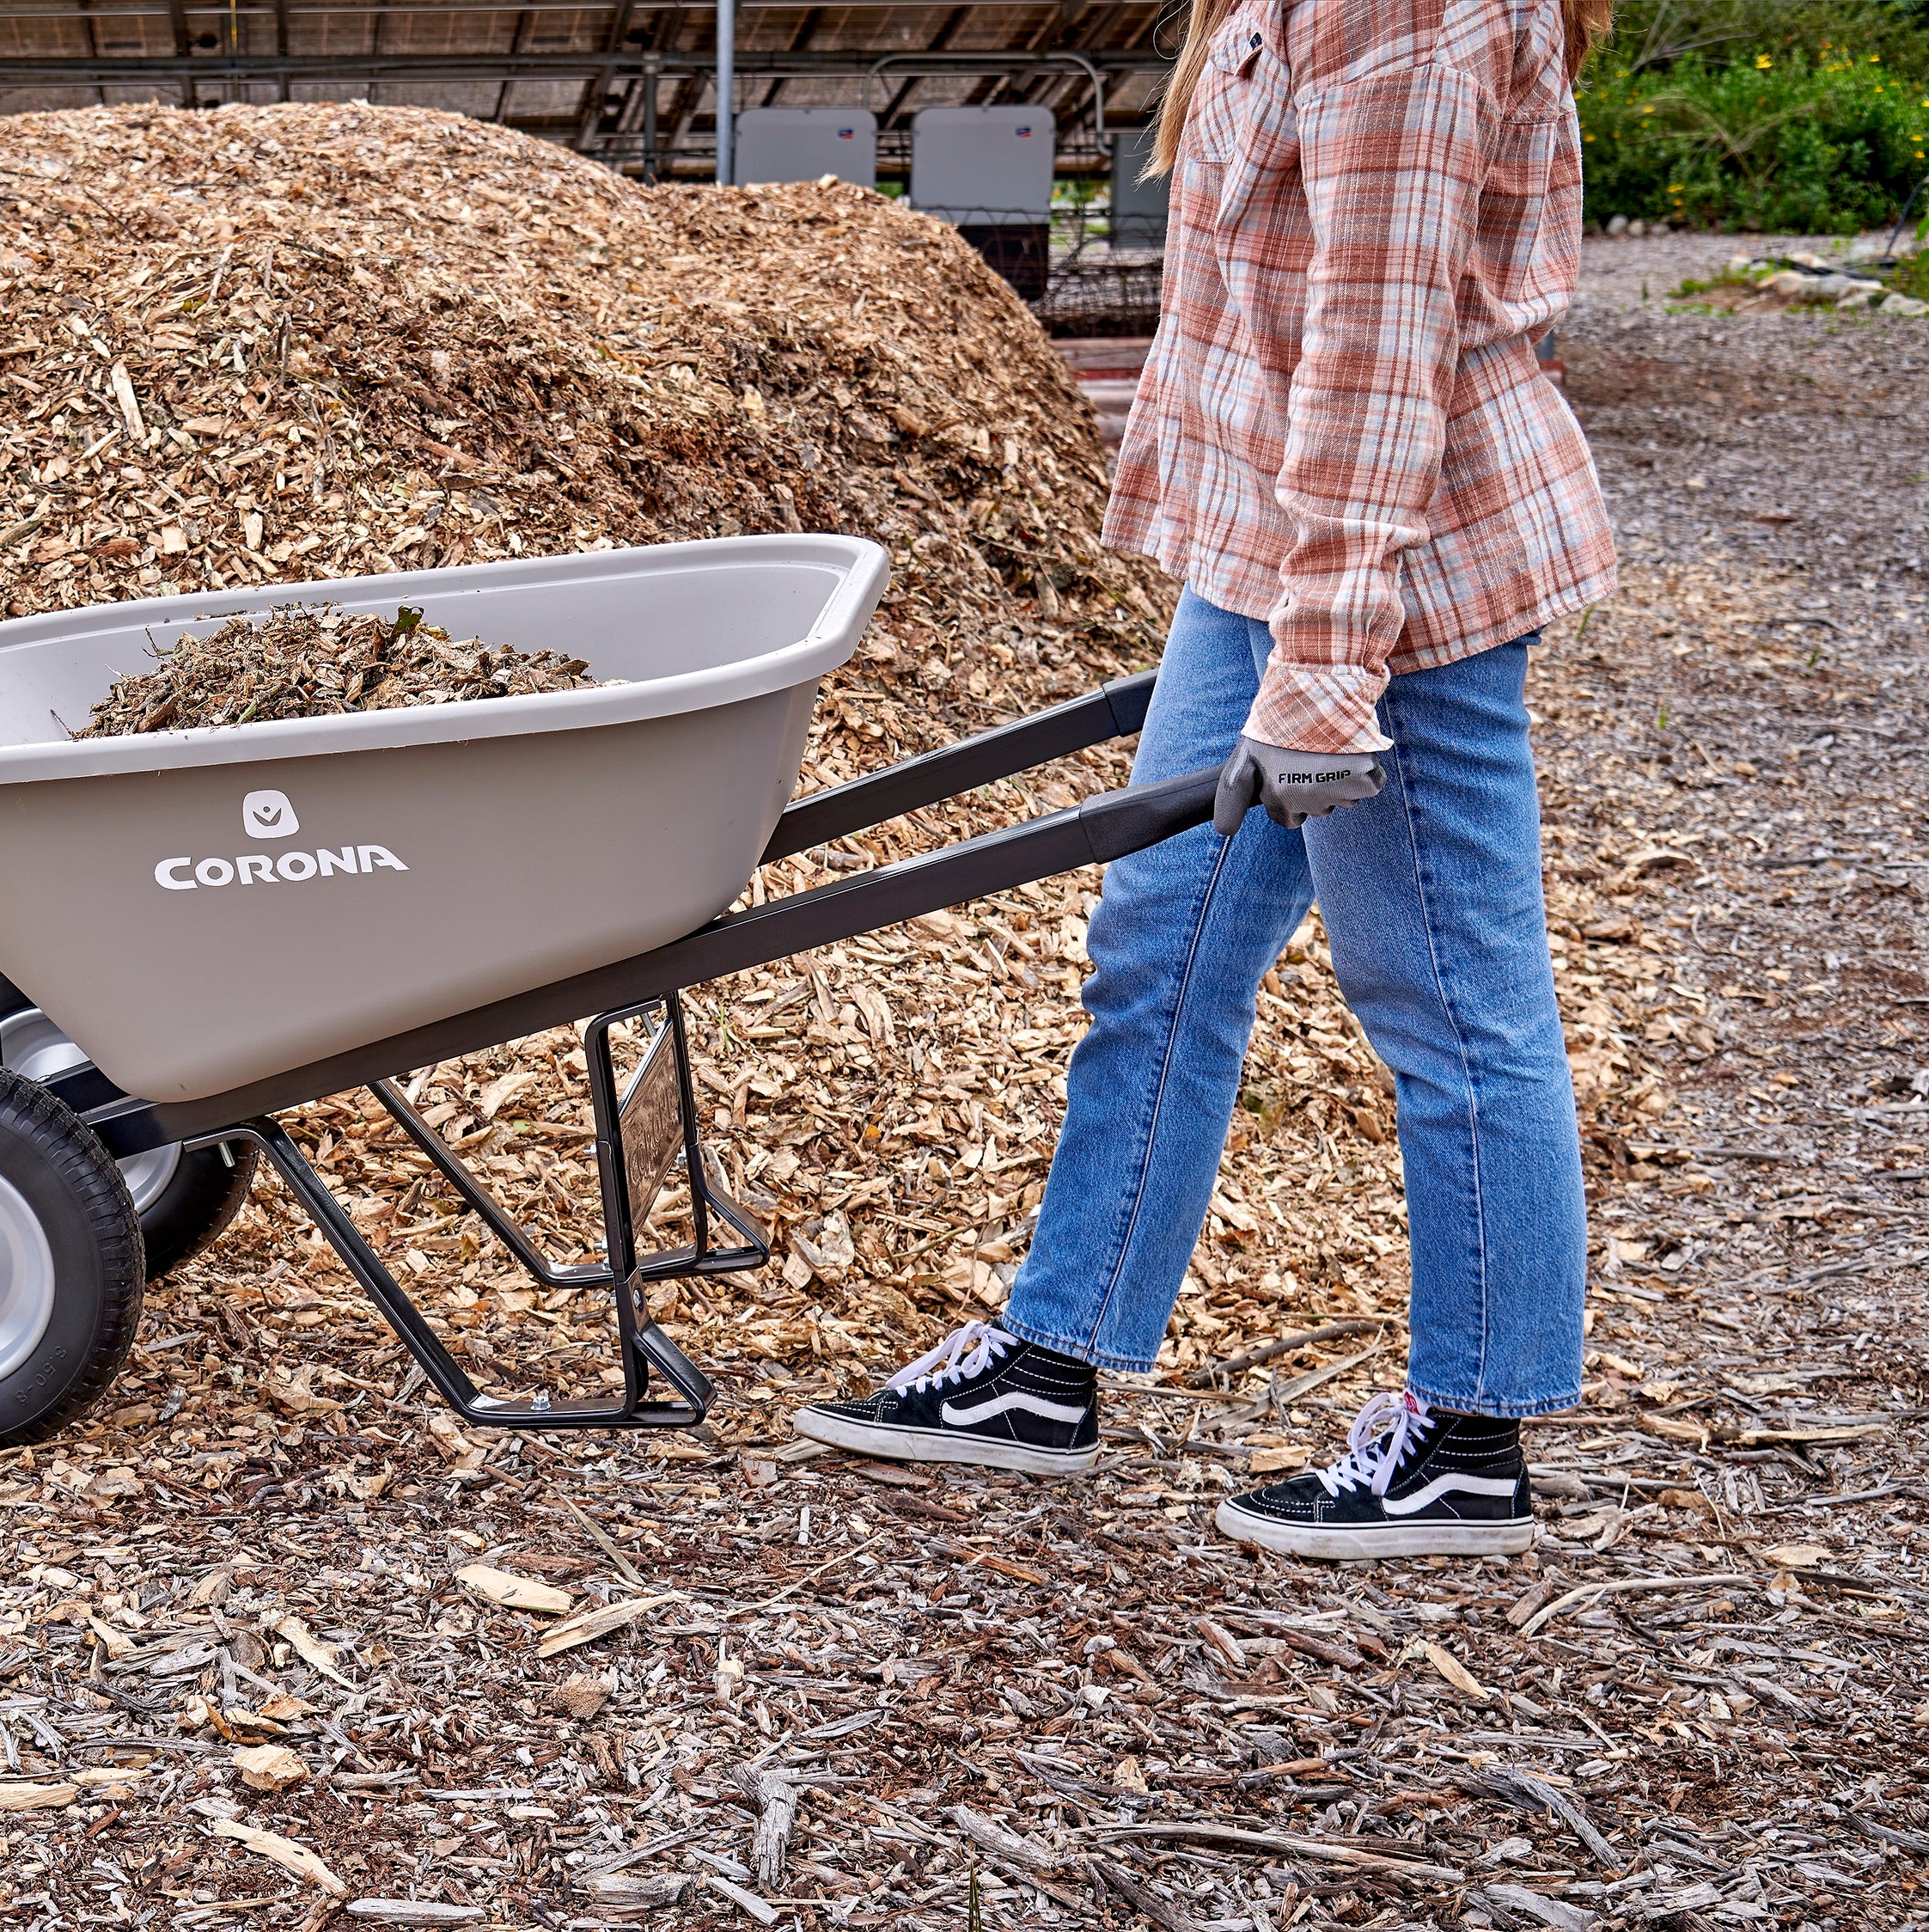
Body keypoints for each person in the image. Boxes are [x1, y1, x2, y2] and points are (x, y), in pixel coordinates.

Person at [788, 0, 1618, 1561]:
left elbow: (1378, 370)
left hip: (1398, 586)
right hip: (1264, 560)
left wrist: (1325, 676)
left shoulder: (1413, 23)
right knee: (1160, 945)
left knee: (1447, 993)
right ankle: (1055, 1356)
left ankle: (1473, 1435)